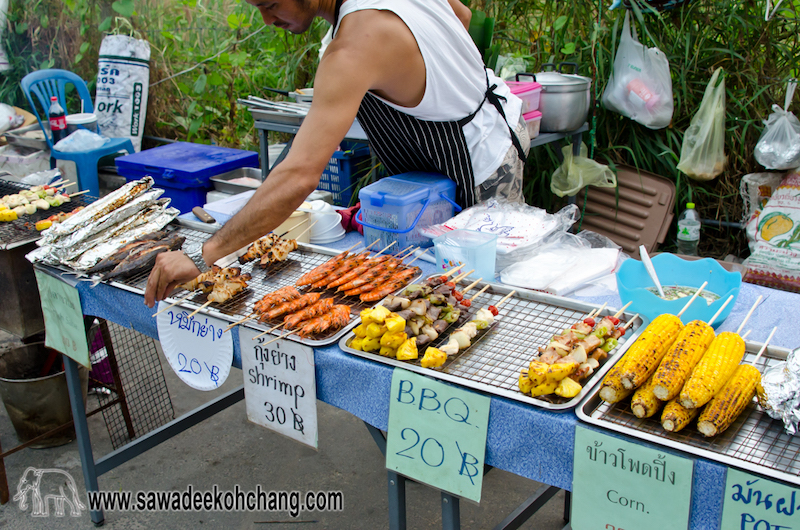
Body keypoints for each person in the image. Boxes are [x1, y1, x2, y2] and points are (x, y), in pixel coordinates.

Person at [144, 0, 528, 307]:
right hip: (443, 161)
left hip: (479, 159)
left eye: (271, 4)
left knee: (478, 293)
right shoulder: (356, 24)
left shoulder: (354, 47)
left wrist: (202, 256)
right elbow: (459, 14)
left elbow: (299, 175)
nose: (266, 19)